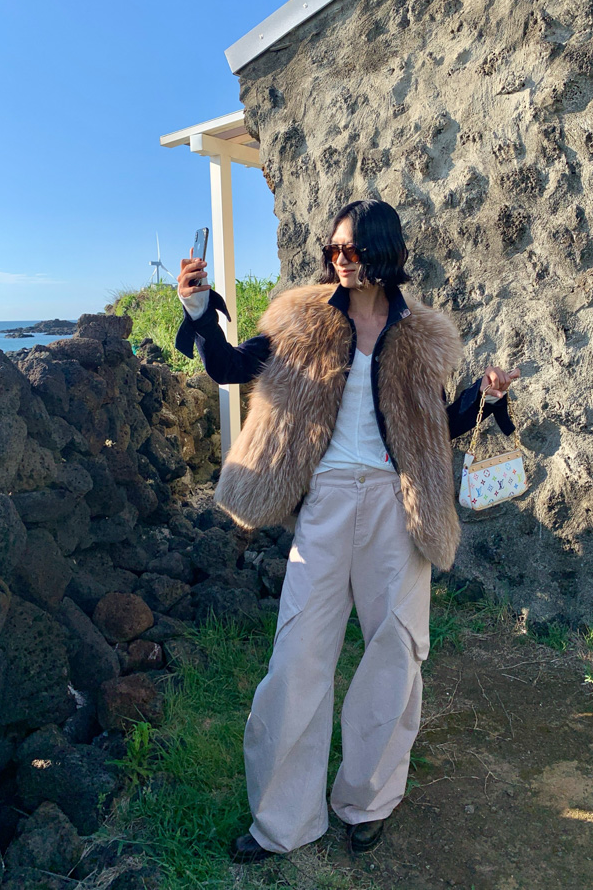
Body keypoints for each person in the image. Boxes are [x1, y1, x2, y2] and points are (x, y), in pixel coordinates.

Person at [175, 199, 519, 862]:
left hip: (397, 503)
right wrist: (198, 310)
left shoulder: (421, 334)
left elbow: (436, 427)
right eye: (334, 249)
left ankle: (369, 800)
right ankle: (282, 820)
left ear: (384, 252)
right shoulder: (303, 318)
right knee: (297, 655)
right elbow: (229, 367)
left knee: (395, 653)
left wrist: (486, 397)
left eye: (353, 249)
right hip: (327, 502)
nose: (340, 259)